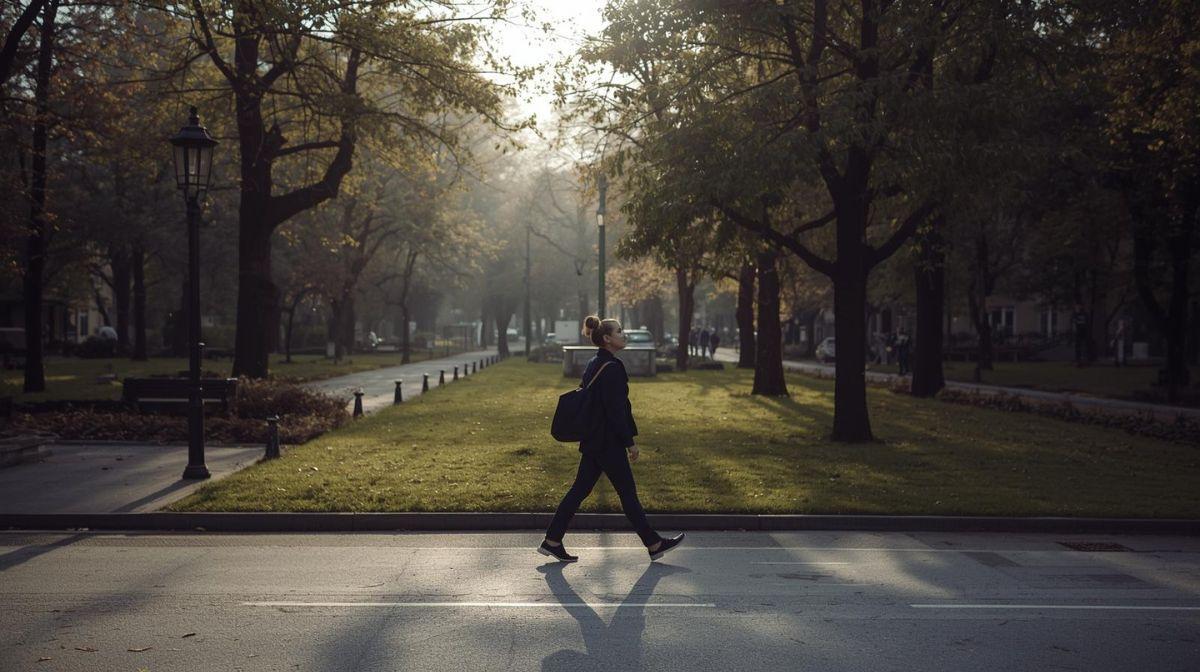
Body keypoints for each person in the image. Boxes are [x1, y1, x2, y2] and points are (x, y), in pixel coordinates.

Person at [540, 315, 685, 563]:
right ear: (607, 338)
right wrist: (630, 442)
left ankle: (552, 540)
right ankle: (653, 543)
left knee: (580, 490)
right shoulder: (613, 368)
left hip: (594, 440)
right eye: (619, 331)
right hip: (608, 442)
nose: (623, 334)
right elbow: (616, 411)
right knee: (627, 493)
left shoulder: (595, 363)